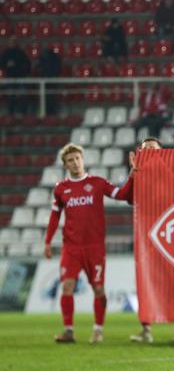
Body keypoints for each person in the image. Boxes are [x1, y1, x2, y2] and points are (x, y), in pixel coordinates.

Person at [44, 144, 129, 343]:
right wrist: (48, 242)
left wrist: (132, 175)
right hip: (71, 248)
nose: (75, 163)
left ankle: (98, 329)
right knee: (67, 286)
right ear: (65, 165)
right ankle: (69, 331)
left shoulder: (97, 183)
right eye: (70, 160)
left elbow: (123, 195)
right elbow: (55, 216)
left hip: (95, 248)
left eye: (77, 158)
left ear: (83, 159)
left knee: (98, 289)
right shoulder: (61, 189)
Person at [123, 137, 163, 343]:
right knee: (144, 282)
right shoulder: (139, 175)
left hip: (171, 236)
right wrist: (132, 176)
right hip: (147, 238)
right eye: (145, 150)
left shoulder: (171, 174)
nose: (150, 153)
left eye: (153, 149)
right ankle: (146, 329)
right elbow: (125, 197)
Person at [2, 37, 32, 115]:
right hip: (10, 77)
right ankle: (10, 115)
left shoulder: (21, 52)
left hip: (21, 77)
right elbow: (2, 64)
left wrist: (23, 69)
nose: (13, 43)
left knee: (24, 96)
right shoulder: (6, 53)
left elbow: (27, 64)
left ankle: (24, 114)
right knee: (10, 97)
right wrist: (7, 65)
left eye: (14, 42)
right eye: (11, 42)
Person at [37, 46, 62, 115]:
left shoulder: (53, 58)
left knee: (51, 98)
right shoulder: (43, 59)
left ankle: (51, 113)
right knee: (47, 98)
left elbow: (57, 69)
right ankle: (48, 113)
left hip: (51, 81)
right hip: (46, 82)